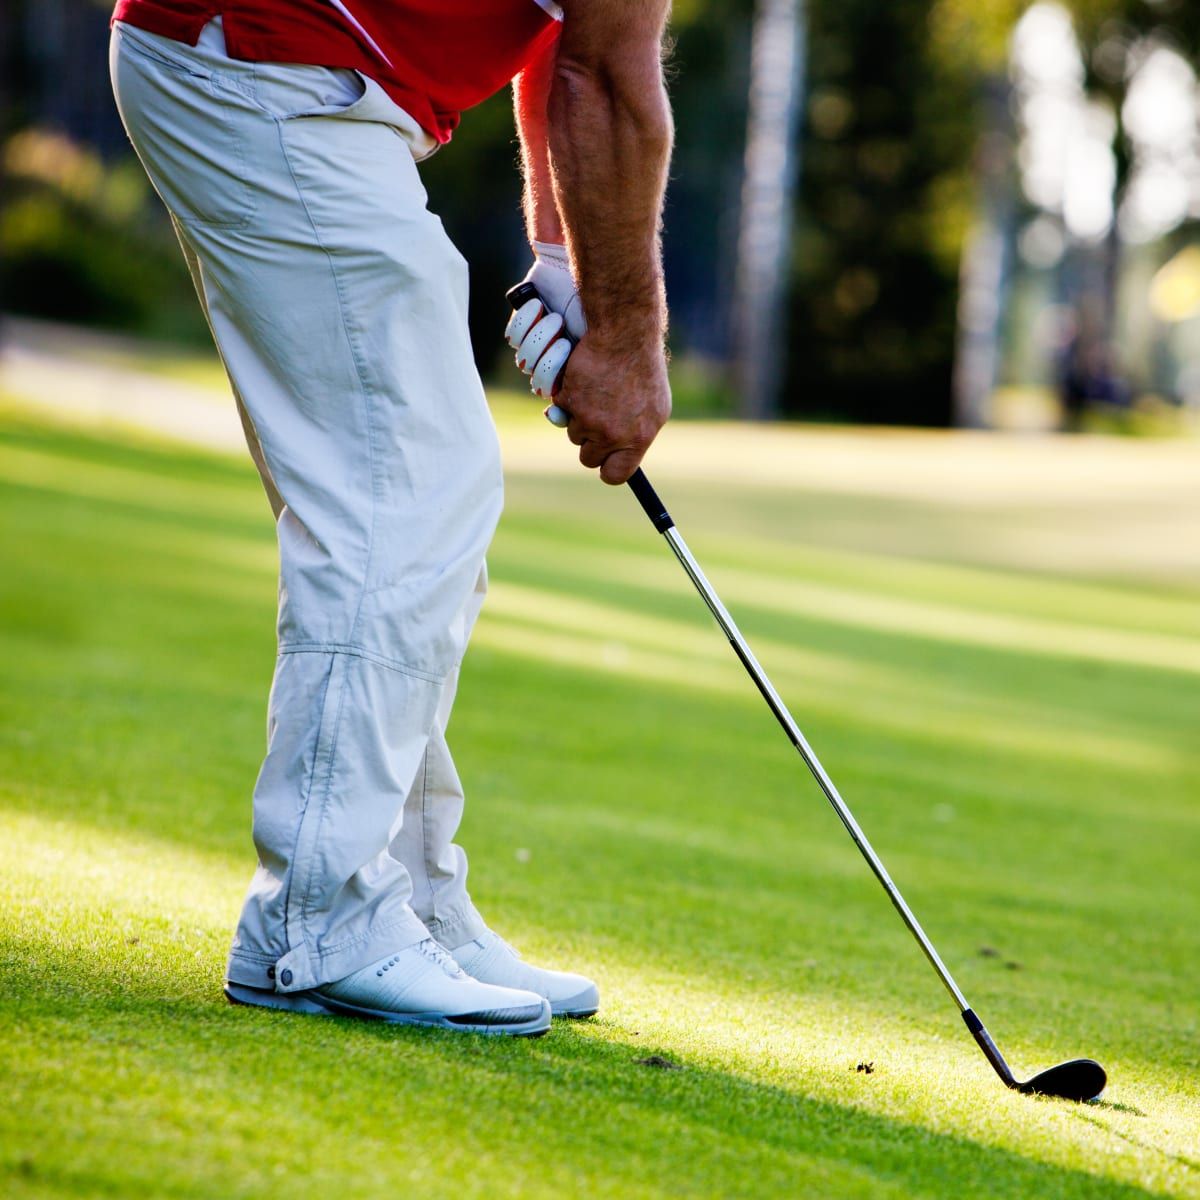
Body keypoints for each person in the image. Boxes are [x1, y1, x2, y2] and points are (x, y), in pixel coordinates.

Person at [108, 0, 673, 1036]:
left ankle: (402, 900)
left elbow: (563, 44)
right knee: (400, 494)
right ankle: (316, 926)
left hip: (286, 77)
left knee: (420, 495)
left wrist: (565, 263)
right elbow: (606, 73)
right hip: (268, 68)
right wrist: (630, 340)